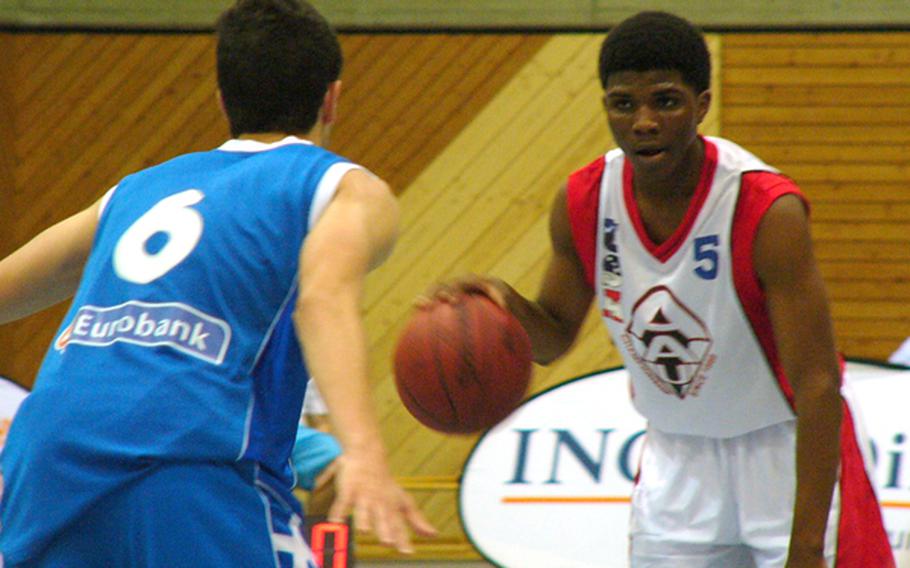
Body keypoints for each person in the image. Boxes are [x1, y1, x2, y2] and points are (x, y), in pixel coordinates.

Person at [433, 11, 892, 568]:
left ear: (701, 105)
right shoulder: (583, 200)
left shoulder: (766, 210)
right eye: (623, 104)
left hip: (783, 448)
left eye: (666, 102)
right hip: (678, 457)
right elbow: (551, 339)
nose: (643, 121)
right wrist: (500, 302)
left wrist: (806, 549)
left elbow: (819, 386)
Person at [0, 0, 434, 566]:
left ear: (223, 98)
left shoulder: (133, 191)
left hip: (46, 460)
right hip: (188, 455)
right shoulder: (341, 187)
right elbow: (323, 298)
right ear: (333, 97)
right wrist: (365, 449)